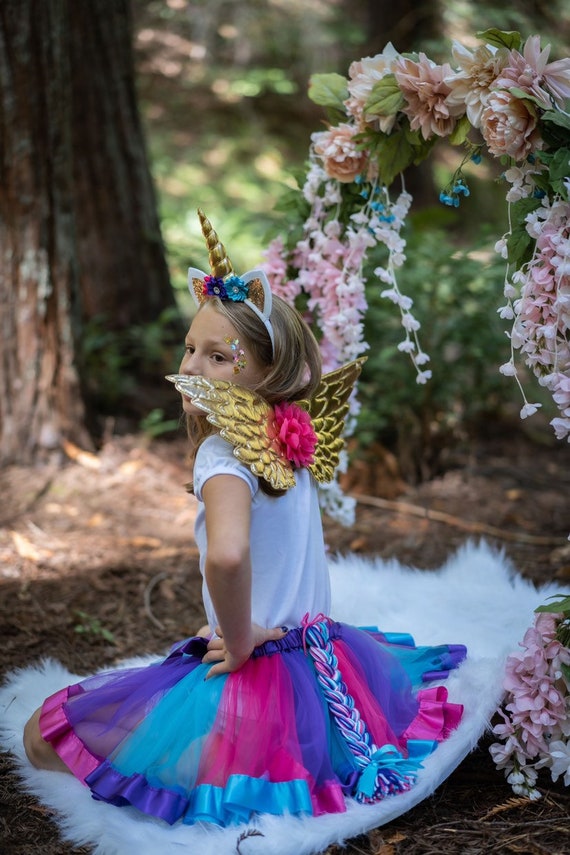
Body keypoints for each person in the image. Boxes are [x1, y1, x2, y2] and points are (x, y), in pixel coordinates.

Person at [23, 211, 467, 828]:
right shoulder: (292, 434)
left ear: (265, 372)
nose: (194, 367)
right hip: (326, 660)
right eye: (190, 348)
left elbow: (228, 555)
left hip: (262, 670)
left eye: (220, 357)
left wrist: (236, 643)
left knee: (43, 737)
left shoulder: (222, 454)